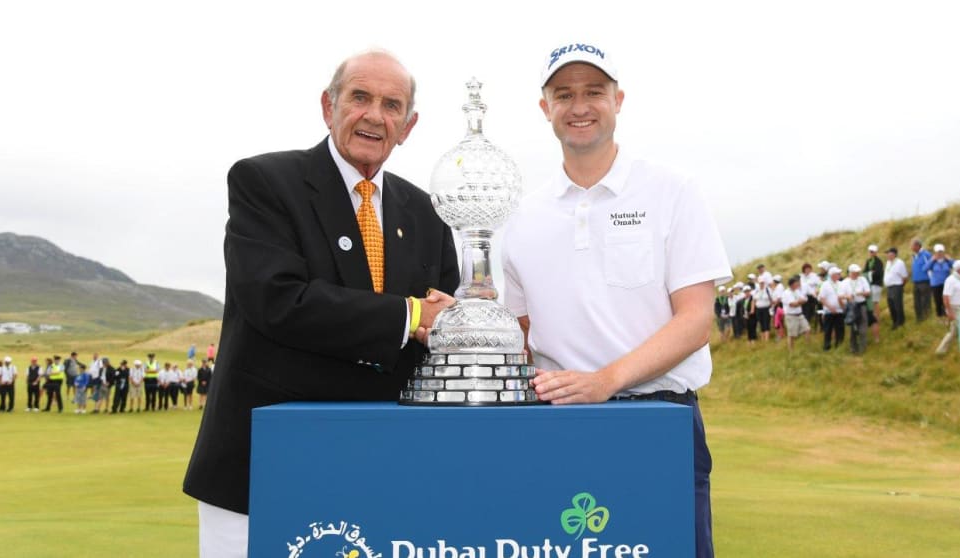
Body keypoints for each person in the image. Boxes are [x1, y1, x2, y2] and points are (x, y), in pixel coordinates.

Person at [182, 49, 460, 558]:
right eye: (360, 97)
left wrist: (454, 320)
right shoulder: (264, 182)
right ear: (328, 106)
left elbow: (443, 316)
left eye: (392, 105)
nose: (374, 115)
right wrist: (414, 314)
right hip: (260, 470)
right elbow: (279, 301)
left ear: (409, 125)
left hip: (381, 469)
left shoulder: (426, 212)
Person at [501, 42, 730, 558]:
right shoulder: (521, 214)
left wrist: (605, 380)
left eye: (594, 92)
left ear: (619, 100)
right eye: (564, 94)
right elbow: (520, 333)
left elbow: (695, 321)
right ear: (546, 109)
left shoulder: (673, 190)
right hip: (558, 427)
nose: (579, 106)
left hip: (660, 422)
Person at [818, 267, 846, 351]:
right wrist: (830, 307)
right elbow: (822, 298)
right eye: (838, 274)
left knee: (840, 329)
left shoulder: (841, 284)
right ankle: (827, 347)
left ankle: (839, 346)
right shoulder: (825, 284)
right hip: (829, 311)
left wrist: (843, 307)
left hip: (839, 311)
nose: (839, 275)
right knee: (828, 329)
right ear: (832, 275)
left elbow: (843, 296)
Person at [925, 243, 954, 322]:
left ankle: (948, 316)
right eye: (938, 252)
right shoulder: (933, 261)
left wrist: (949, 259)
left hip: (947, 285)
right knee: (938, 301)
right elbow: (925, 268)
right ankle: (940, 316)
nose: (940, 254)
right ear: (935, 253)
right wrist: (932, 260)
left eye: (941, 252)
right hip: (935, 285)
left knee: (947, 301)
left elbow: (956, 266)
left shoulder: (947, 261)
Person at [782, 276, 810, 351]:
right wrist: (799, 302)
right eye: (796, 283)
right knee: (792, 335)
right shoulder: (786, 293)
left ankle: (807, 346)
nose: (798, 285)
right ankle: (791, 350)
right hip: (791, 316)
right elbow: (792, 304)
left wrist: (799, 302)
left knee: (807, 329)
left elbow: (804, 299)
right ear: (792, 284)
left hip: (799, 314)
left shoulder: (797, 291)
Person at [884, 247, 908, 329]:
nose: (887, 255)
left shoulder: (900, 263)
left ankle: (900, 322)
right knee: (891, 305)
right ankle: (895, 322)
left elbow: (904, 277)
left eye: (888, 253)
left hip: (896, 286)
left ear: (893, 254)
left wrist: (900, 286)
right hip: (889, 287)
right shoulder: (888, 262)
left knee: (897, 305)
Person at [864, 244, 884, 343]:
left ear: (875, 252)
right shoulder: (868, 261)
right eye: (870, 251)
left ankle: (877, 318)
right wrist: (870, 272)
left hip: (876, 284)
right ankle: (873, 317)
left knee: (875, 302)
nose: (871, 253)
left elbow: (878, 273)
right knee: (872, 302)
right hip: (870, 284)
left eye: (872, 252)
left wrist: (870, 273)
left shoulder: (878, 262)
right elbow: (865, 271)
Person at [911, 238, 932, 321]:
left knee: (925, 301)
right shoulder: (915, 256)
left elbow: (930, 267)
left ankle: (927, 318)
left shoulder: (925, 254)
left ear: (917, 246)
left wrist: (931, 281)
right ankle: (919, 319)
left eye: (912, 245)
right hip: (916, 282)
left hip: (925, 282)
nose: (911, 247)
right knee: (917, 302)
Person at [941, 260, 960, 352]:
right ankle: (941, 350)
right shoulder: (950, 280)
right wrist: (949, 312)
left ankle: (941, 350)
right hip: (954, 308)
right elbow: (946, 298)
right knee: (953, 331)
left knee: (954, 331)